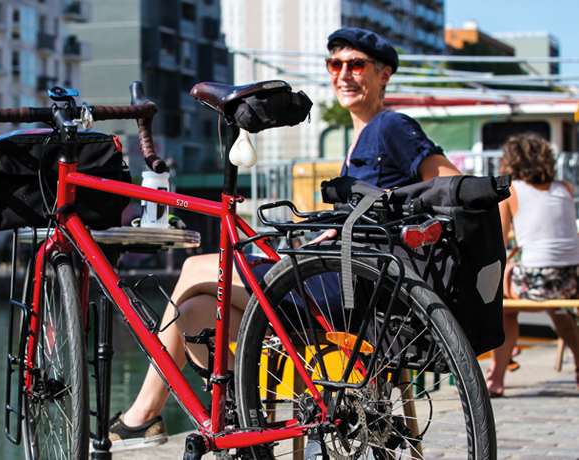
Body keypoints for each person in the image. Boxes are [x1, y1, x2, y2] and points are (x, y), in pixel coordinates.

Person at [104, 27, 461, 452]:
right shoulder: (365, 136)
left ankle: (144, 415)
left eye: (357, 65)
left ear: (383, 75)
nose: (344, 74)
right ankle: (248, 419)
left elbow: (450, 186)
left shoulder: (391, 126)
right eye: (336, 65)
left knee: (195, 267)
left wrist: (373, 224)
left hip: (351, 287)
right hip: (338, 283)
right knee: (193, 311)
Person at [489, 132, 579, 396]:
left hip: (536, 283)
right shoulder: (565, 188)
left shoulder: (511, 191)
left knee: (504, 305)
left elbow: (499, 244)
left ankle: (497, 377)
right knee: (559, 310)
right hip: (572, 281)